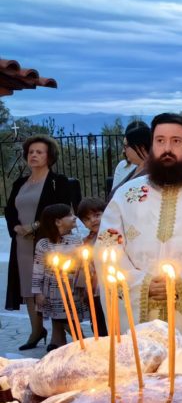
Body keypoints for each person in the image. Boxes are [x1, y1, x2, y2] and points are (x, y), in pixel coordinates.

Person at [98, 113, 182, 343]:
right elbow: (107, 245)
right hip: (140, 313)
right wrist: (139, 283)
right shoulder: (126, 195)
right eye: (160, 141)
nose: (167, 148)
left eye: (176, 141)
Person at [5, 135, 81, 349]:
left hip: (48, 241)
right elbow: (10, 209)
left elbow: (62, 210)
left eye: (39, 152)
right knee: (28, 286)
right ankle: (37, 330)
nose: (34, 155)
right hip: (22, 243)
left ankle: (65, 332)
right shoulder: (20, 182)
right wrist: (16, 227)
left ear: (49, 156)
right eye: (31, 152)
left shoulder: (58, 181)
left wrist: (35, 226)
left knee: (54, 285)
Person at [31, 203, 87, 350]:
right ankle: (60, 343)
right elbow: (38, 270)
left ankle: (80, 341)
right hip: (52, 289)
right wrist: (38, 293)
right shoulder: (43, 244)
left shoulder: (76, 240)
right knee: (58, 317)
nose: (74, 217)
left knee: (71, 317)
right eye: (69, 215)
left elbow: (83, 264)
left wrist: (83, 284)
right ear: (57, 222)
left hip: (72, 287)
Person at [75, 196, 109, 337]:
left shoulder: (113, 235)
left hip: (109, 286)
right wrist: (82, 287)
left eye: (96, 215)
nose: (93, 220)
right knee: (98, 322)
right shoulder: (87, 241)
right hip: (94, 289)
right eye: (87, 219)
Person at [107, 121, 151, 200]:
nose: (124, 151)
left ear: (141, 147)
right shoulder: (126, 167)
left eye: (126, 146)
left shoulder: (152, 172)